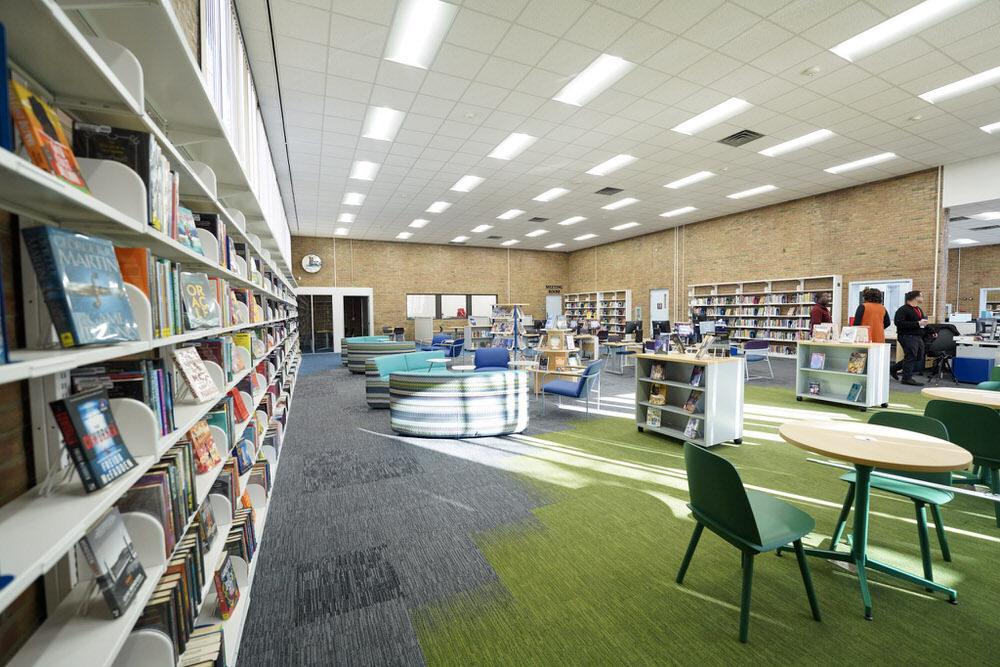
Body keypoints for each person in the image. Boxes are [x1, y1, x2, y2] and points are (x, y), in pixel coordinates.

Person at [891, 290, 929, 385]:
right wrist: (917, 323)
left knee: (918, 356)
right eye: (921, 296)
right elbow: (899, 323)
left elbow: (921, 323)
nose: (922, 298)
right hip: (907, 336)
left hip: (917, 336)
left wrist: (931, 331)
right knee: (911, 356)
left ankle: (894, 368)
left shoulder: (918, 309)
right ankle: (906, 378)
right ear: (916, 297)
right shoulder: (903, 310)